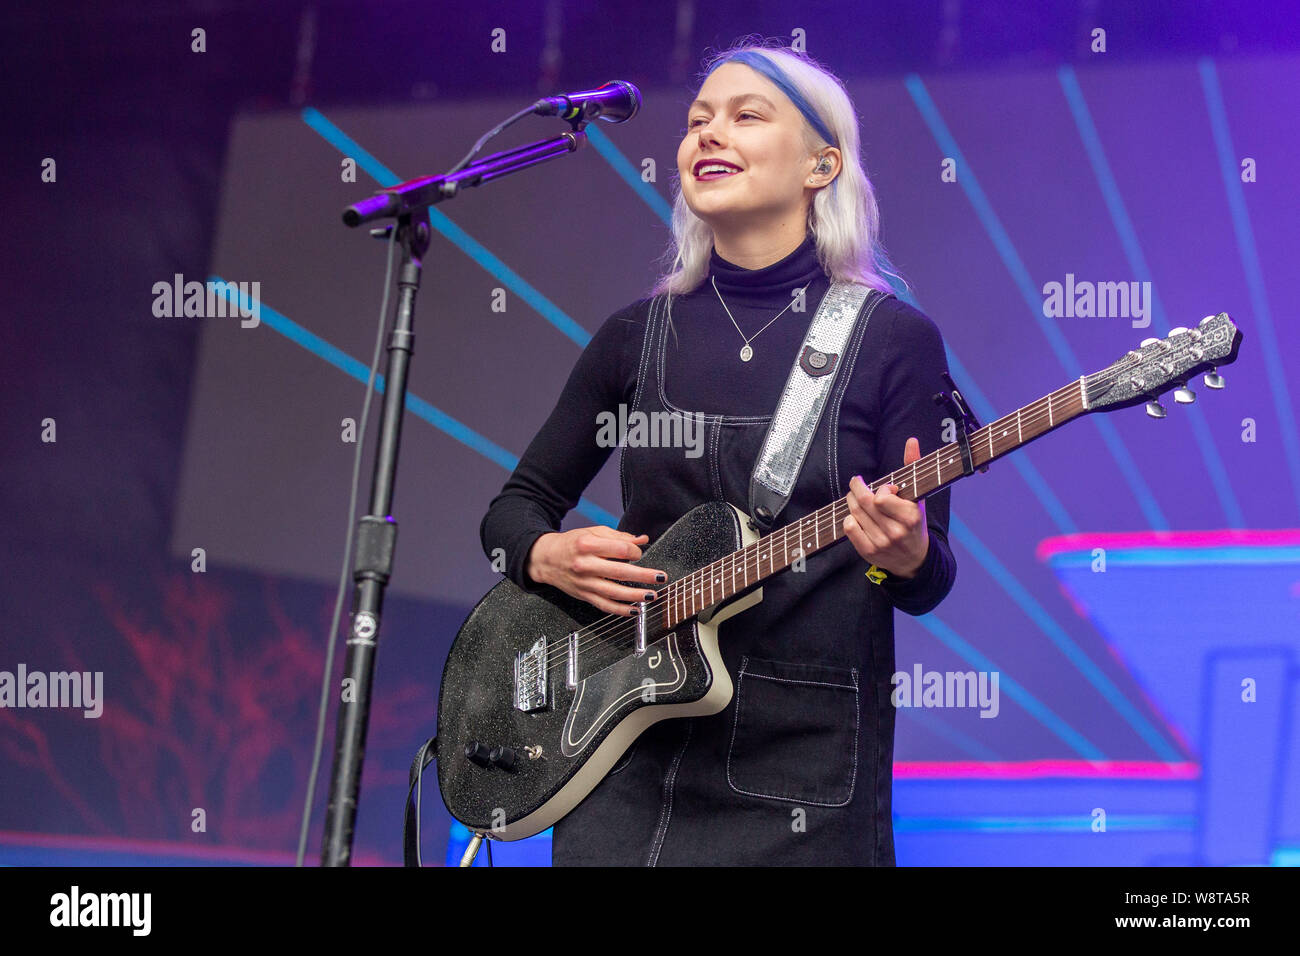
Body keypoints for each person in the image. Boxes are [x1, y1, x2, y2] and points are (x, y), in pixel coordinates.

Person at [479, 40, 957, 865]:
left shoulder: (892, 341)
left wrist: (903, 555)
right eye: (697, 120)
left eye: (745, 116)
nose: (708, 134)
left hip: (801, 770)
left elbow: (927, 579)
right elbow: (510, 512)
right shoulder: (637, 334)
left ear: (821, 164)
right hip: (622, 753)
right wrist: (544, 552)